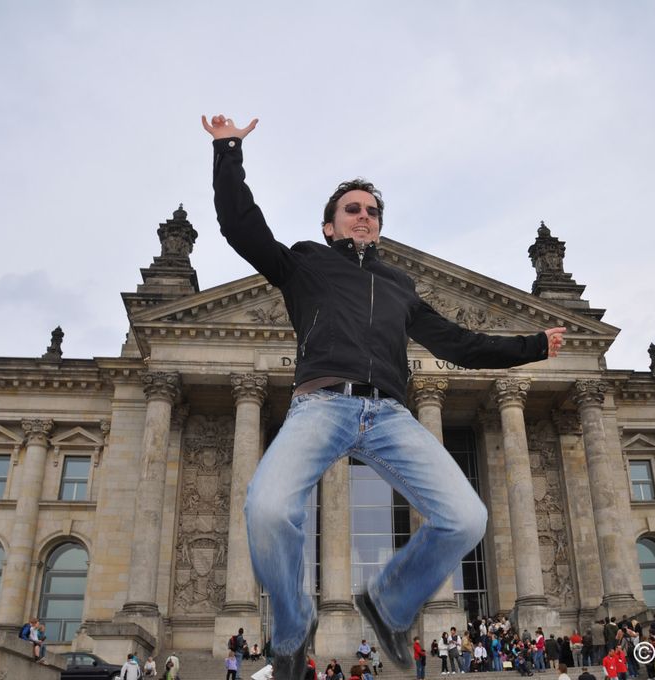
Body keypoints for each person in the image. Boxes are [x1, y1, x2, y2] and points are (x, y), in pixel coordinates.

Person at [203, 113, 566, 680]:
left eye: (372, 212)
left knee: (467, 517)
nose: (364, 217)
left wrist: (534, 345)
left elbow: (460, 343)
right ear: (330, 226)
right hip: (323, 405)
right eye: (353, 209)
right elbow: (242, 227)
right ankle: (294, 629)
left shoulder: (400, 286)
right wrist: (228, 151)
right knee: (268, 507)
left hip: (390, 414)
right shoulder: (304, 264)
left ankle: (389, 602)